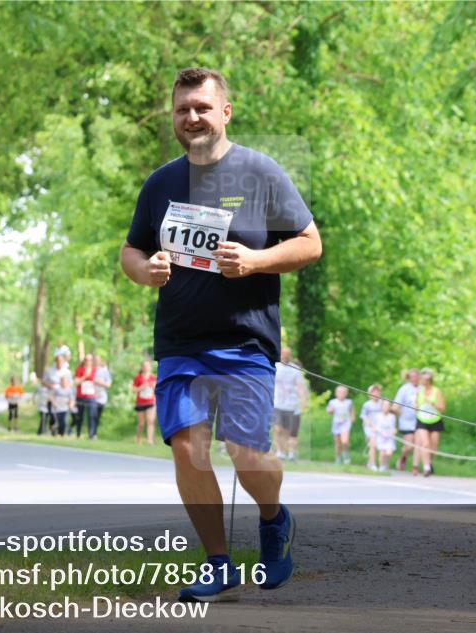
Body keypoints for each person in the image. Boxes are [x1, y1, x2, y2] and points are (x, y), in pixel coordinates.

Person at [120, 67, 321, 603]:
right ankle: (218, 563)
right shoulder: (161, 183)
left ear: (225, 112)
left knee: (246, 453)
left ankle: (274, 518)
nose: (192, 117)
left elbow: (309, 243)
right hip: (181, 341)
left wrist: (255, 261)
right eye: (182, 109)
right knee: (188, 449)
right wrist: (145, 270)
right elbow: (132, 249)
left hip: (244, 340)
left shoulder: (260, 172)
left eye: (202, 108)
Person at [273, 346, 305, 461]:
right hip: (277, 404)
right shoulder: (275, 366)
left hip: (291, 405)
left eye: (288, 354)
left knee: (287, 431)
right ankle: (279, 451)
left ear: (290, 355)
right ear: (280, 354)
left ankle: (285, 451)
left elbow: (300, 386)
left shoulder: (295, 369)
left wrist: (303, 400)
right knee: (277, 429)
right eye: (284, 353)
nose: (286, 355)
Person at [414, 368, 445, 477]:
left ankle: (429, 462)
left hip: (435, 420)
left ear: (430, 380)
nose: (423, 381)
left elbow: (442, 408)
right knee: (425, 443)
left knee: (433, 448)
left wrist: (432, 404)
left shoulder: (437, 391)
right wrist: (416, 406)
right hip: (422, 420)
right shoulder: (419, 392)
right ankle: (426, 467)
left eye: (425, 379)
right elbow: (416, 406)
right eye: (422, 379)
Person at [393, 368, 420, 471]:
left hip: (420, 421)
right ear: (409, 378)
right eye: (412, 377)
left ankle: (416, 466)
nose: (414, 378)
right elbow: (396, 405)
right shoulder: (404, 389)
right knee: (409, 446)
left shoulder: (422, 388)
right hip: (406, 422)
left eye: (416, 376)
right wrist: (395, 413)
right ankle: (402, 459)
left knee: (418, 445)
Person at [359, 384, 385, 471]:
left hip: (380, 428)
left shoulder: (382, 403)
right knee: (372, 445)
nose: (375, 394)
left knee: (379, 445)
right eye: (373, 392)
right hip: (370, 428)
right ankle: (373, 464)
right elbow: (364, 416)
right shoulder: (367, 405)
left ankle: (373, 462)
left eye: (377, 392)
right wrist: (372, 426)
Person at [327, 385, 354, 466]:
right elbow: (328, 411)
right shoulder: (333, 402)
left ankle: (346, 455)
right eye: (339, 392)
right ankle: (338, 459)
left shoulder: (349, 402)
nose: (341, 394)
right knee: (337, 443)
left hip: (345, 423)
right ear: (336, 393)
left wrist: (352, 418)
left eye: (343, 392)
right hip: (336, 423)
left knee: (345, 441)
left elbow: (352, 411)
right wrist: (331, 410)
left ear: (346, 394)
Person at [133, 360, 158, 446]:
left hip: (151, 402)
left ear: (150, 367)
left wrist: (153, 386)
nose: (146, 367)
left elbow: (157, 390)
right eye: (144, 366)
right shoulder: (138, 377)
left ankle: (149, 440)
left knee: (150, 421)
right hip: (140, 403)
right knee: (141, 423)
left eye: (147, 366)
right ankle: (138, 439)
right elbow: (134, 390)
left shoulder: (153, 378)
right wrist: (142, 387)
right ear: (142, 367)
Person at [74, 353, 98, 438]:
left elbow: (98, 382)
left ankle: (91, 434)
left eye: (90, 360)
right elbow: (76, 382)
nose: (88, 361)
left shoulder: (95, 370)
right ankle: (78, 434)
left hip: (91, 397)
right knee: (79, 416)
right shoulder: (79, 370)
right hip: (81, 396)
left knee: (92, 416)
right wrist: (85, 376)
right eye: (86, 360)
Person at [91, 354, 112, 439]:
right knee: (92, 415)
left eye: (97, 360)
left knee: (97, 416)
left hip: (101, 398)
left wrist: (99, 382)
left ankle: (94, 433)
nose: (96, 361)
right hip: (90, 397)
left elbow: (108, 385)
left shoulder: (104, 371)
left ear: (100, 361)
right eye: (94, 360)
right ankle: (91, 433)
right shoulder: (90, 370)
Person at [373, 399, 397, 471]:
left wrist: (393, 432)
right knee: (382, 453)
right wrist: (377, 431)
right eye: (384, 405)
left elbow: (394, 428)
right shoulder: (378, 416)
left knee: (389, 453)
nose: (386, 407)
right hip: (380, 438)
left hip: (389, 438)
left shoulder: (392, 417)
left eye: (387, 406)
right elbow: (374, 427)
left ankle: (385, 464)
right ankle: (381, 467)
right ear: (382, 406)